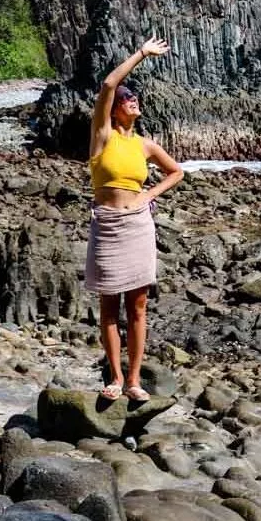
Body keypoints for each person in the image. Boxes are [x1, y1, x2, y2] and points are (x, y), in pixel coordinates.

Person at [85, 37, 184, 402]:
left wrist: (148, 195)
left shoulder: (145, 144)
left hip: (139, 225)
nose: (132, 100)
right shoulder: (102, 136)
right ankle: (113, 376)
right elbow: (108, 84)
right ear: (114, 110)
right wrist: (142, 54)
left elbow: (176, 172)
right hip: (108, 225)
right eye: (127, 98)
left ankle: (134, 380)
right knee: (110, 307)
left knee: (138, 305)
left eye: (134, 97)